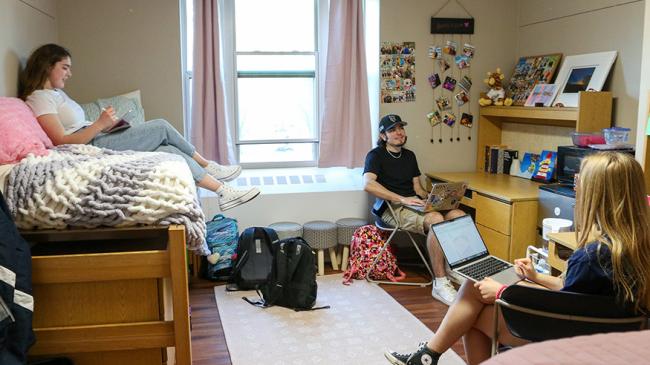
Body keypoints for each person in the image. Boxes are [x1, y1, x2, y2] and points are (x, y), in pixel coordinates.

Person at [384, 151, 650, 365]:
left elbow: (565, 310)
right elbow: (577, 298)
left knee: (472, 313)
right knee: (472, 291)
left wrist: (502, 291)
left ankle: (427, 357)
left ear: (595, 195)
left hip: (571, 337)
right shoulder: (636, 246)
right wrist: (536, 277)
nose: (576, 187)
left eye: (580, 182)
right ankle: (427, 357)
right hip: (613, 334)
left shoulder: (591, 255)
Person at [19, 44, 258, 211]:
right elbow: (61, 140)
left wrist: (104, 125)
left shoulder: (55, 94)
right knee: (161, 127)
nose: (70, 73)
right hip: (93, 145)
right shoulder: (39, 98)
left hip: (98, 136)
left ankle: (222, 191)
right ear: (47, 65)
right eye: (65, 67)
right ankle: (208, 165)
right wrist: (100, 125)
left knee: (168, 150)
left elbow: (74, 127)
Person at [364, 114, 466, 305]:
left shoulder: (409, 156)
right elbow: (368, 184)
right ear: (383, 135)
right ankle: (440, 283)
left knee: (458, 215)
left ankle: (452, 269)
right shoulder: (375, 155)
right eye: (392, 129)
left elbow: (417, 188)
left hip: (416, 205)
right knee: (436, 220)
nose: (399, 132)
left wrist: (431, 198)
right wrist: (402, 199)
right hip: (392, 209)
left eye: (401, 128)